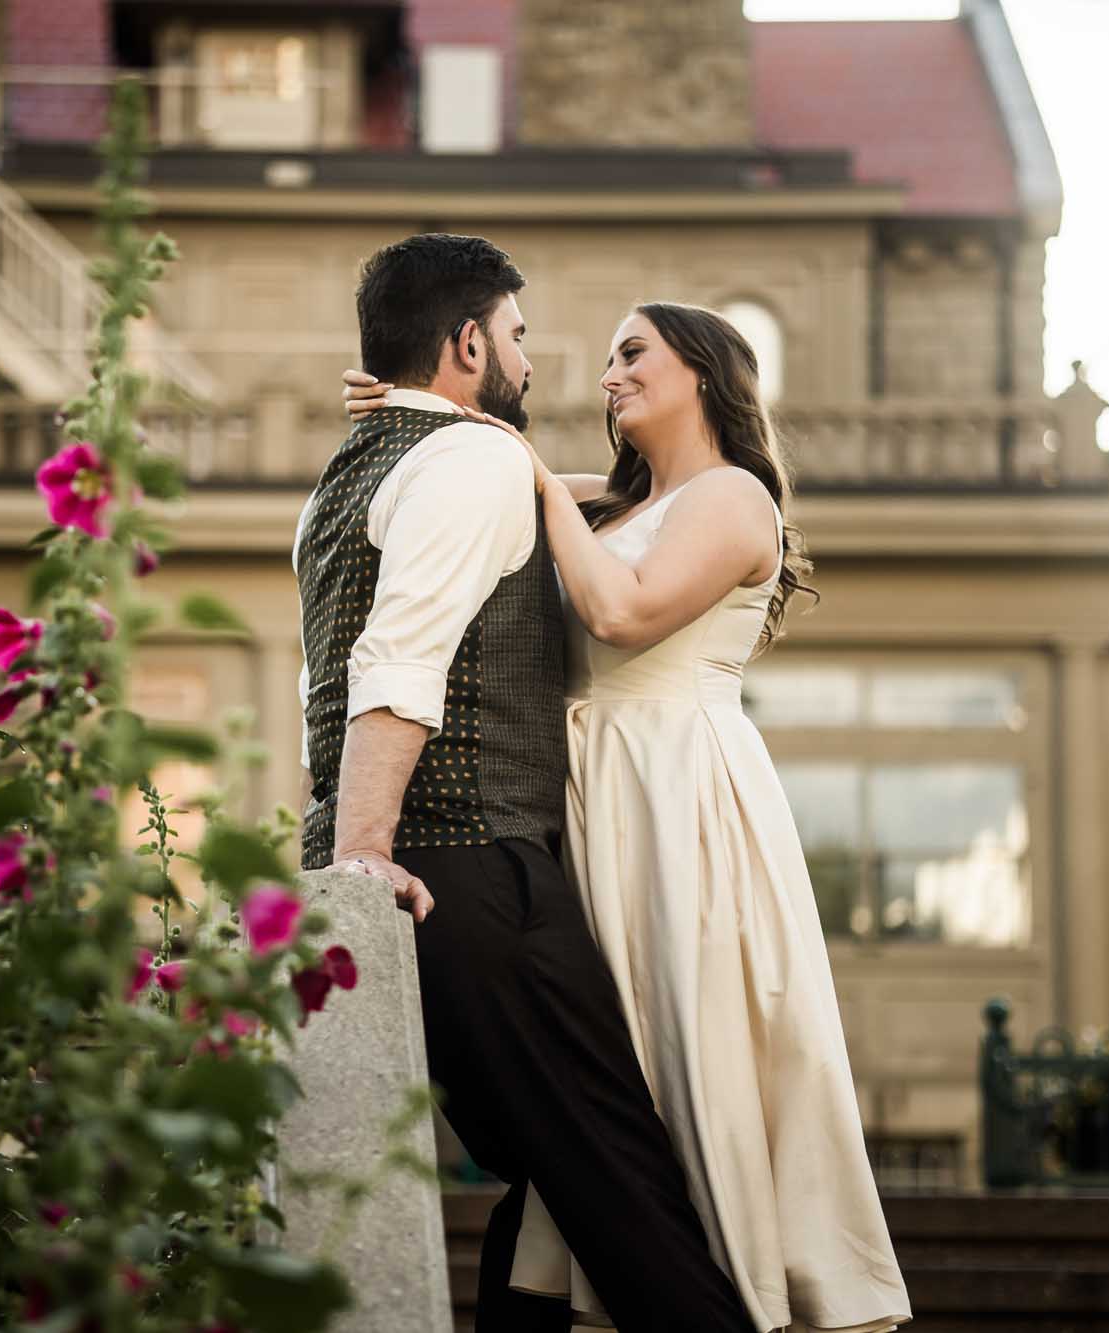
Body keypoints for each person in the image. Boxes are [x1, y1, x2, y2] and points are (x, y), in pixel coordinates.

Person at [341, 301, 913, 1333]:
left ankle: (724, 1287)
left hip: (676, 801)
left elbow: (622, 611)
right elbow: (478, 472)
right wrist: (418, 410)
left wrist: (516, 460)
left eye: (630, 353)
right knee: (594, 1081)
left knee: (681, 1052)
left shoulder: (733, 498)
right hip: (587, 803)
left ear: (701, 368)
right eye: (606, 360)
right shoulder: (604, 501)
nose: (607, 375)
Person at [297, 235, 754, 1333]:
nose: (539, 364)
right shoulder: (471, 463)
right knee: (619, 1177)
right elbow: (392, 665)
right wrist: (365, 851)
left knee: (549, 1186)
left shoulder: (339, 481)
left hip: (396, 875)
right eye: (513, 336)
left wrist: (340, 860)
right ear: (465, 343)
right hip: (472, 870)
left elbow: (325, 674)